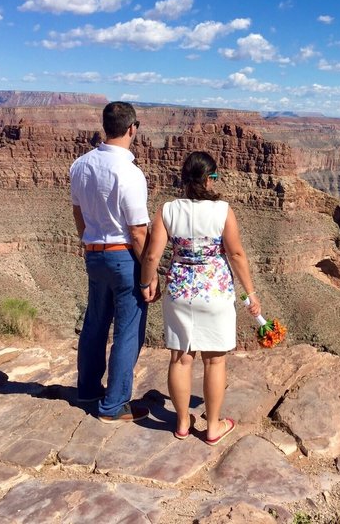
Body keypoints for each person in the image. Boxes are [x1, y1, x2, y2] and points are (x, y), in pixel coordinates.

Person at [140, 151, 261, 445]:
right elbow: (235, 254)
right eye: (216, 176)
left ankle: (182, 423)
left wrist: (146, 283)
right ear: (209, 179)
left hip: (180, 292)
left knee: (181, 358)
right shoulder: (222, 211)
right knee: (214, 362)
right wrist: (251, 293)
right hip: (215, 294)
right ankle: (213, 427)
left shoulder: (167, 210)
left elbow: (152, 254)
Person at [70, 101, 150, 423]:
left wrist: (88, 242)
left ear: (106, 127)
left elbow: (77, 212)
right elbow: (138, 231)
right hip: (123, 257)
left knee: (95, 323)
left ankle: (88, 389)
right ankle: (114, 405)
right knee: (128, 330)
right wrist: (149, 272)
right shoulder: (130, 173)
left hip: (94, 254)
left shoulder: (80, 164)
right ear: (132, 128)